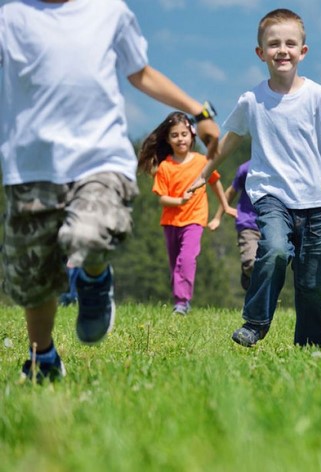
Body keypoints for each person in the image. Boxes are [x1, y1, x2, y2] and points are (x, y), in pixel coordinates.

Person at [1, 0, 219, 382]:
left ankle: (95, 278)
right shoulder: (10, 18)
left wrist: (197, 113)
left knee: (90, 234)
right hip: (31, 165)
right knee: (32, 274)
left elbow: (142, 73)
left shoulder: (108, 11)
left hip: (99, 159)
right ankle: (43, 359)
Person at [188, 8, 321, 348]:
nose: (282, 50)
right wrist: (203, 173)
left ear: (303, 51)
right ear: (260, 53)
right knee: (273, 250)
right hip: (270, 194)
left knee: (314, 282)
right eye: (274, 44)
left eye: (290, 43)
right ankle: (255, 322)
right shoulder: (252, 100)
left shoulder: (319, 97)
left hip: (315, 200)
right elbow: (230, 139)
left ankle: (309, 346)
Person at [138, 112, 231, 315]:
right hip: (171, 221)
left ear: (192, 135)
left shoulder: (202, 162)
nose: (180, 138)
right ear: (168, 140)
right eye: (175, 135)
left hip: (195, 220)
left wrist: (225, 206)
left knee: (186, 260)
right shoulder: (165, 167)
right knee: (175, 265)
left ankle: (181, 302)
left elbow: (215, 182)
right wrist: (179, 200)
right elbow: (162, 198)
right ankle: (181, 301)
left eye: (184, 134)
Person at [208, 160, 259, 291]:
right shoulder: (246, 169)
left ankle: (263, 299)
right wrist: (218, 217)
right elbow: (231, 192)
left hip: (273, 224)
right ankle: (248, 270)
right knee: (253, 263)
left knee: (270, 264)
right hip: (248, 224)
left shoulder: (282, 168)